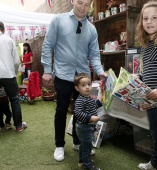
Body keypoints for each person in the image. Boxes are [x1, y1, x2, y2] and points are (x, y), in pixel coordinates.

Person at [41, 0, 107, 162]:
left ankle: (77, 142)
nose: (83, 7)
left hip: (83, 78)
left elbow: (94, 55)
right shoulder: (58, 20)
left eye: (87, 4)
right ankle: (59, 145)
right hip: (63, 75)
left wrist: (100, 72)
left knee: (83, 111)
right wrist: (47, 70)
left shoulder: (91, 29)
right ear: (72, 1)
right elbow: (48, 45)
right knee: (61, 110)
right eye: (80, 2)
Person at [135, 1, 157, 169]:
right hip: (150, 97)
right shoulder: (145, 46)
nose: (149, 22)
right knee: (155, 134)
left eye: (154, 18)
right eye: (145, 18)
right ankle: (156, 163)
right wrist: (138, 78)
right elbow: (149, 70)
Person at [0, 21, 27, 132]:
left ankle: (1, 125)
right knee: (14, 99)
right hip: (8, 74)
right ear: (4, 29)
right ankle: (18, 125)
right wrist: (15, 72)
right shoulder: (9, 40)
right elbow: (16, 61)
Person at [74, 73, 102, 170]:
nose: (87, 87)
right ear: (77, 88)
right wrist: (90, 118)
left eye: (89, 84)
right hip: (84, 127)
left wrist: (100, 102)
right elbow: (77, 112)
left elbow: (93, 106)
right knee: (87, 148)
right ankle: (88, 166)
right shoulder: (80, 100)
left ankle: (82, 161)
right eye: (83, 85)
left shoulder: (88, 98)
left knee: (84, 145)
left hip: (88, 126)